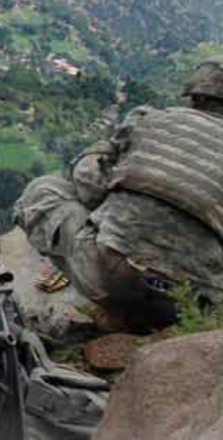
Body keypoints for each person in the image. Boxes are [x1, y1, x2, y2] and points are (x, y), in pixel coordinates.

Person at [14, 57, 223, 331]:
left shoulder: (149, 120)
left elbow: (88, 187)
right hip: (195, 305)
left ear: (194, 94)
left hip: (114, 282)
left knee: (43, 190)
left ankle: (120, 311)